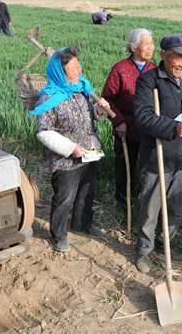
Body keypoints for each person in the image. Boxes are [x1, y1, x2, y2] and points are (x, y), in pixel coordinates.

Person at [133, 34, 182, 274]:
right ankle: (144, 249)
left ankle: (167, 243)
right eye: (178, 56)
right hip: (158, 155)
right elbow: (143, 116)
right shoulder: (148, 81)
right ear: (163, 55)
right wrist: (172, 128)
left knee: (176, 205)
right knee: (150, 206)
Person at [32, 47, 111, 253]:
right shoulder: (49, 97)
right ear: (60, 71)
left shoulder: (82, 89)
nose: (78, 69)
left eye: (78, 65)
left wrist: (100, 110)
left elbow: (90, 117)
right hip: (66, 159)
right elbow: (44, 132)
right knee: (64, 198)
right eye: (73, 67)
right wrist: (71, 148)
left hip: (90, 152)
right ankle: (58, 234)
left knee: (87, 191)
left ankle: (82, 224)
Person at [101, 28, 156, 210]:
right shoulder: (120, 69)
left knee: (147, 169)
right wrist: (118, 121)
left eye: (151, 44)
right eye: (145, 44)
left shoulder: (154, 69)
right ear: (133, 48)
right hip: (127, 129)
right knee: (125, 168)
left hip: (149, 130)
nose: (150, 48)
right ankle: (123, 204)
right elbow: (107, 99)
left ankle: (143, 204)